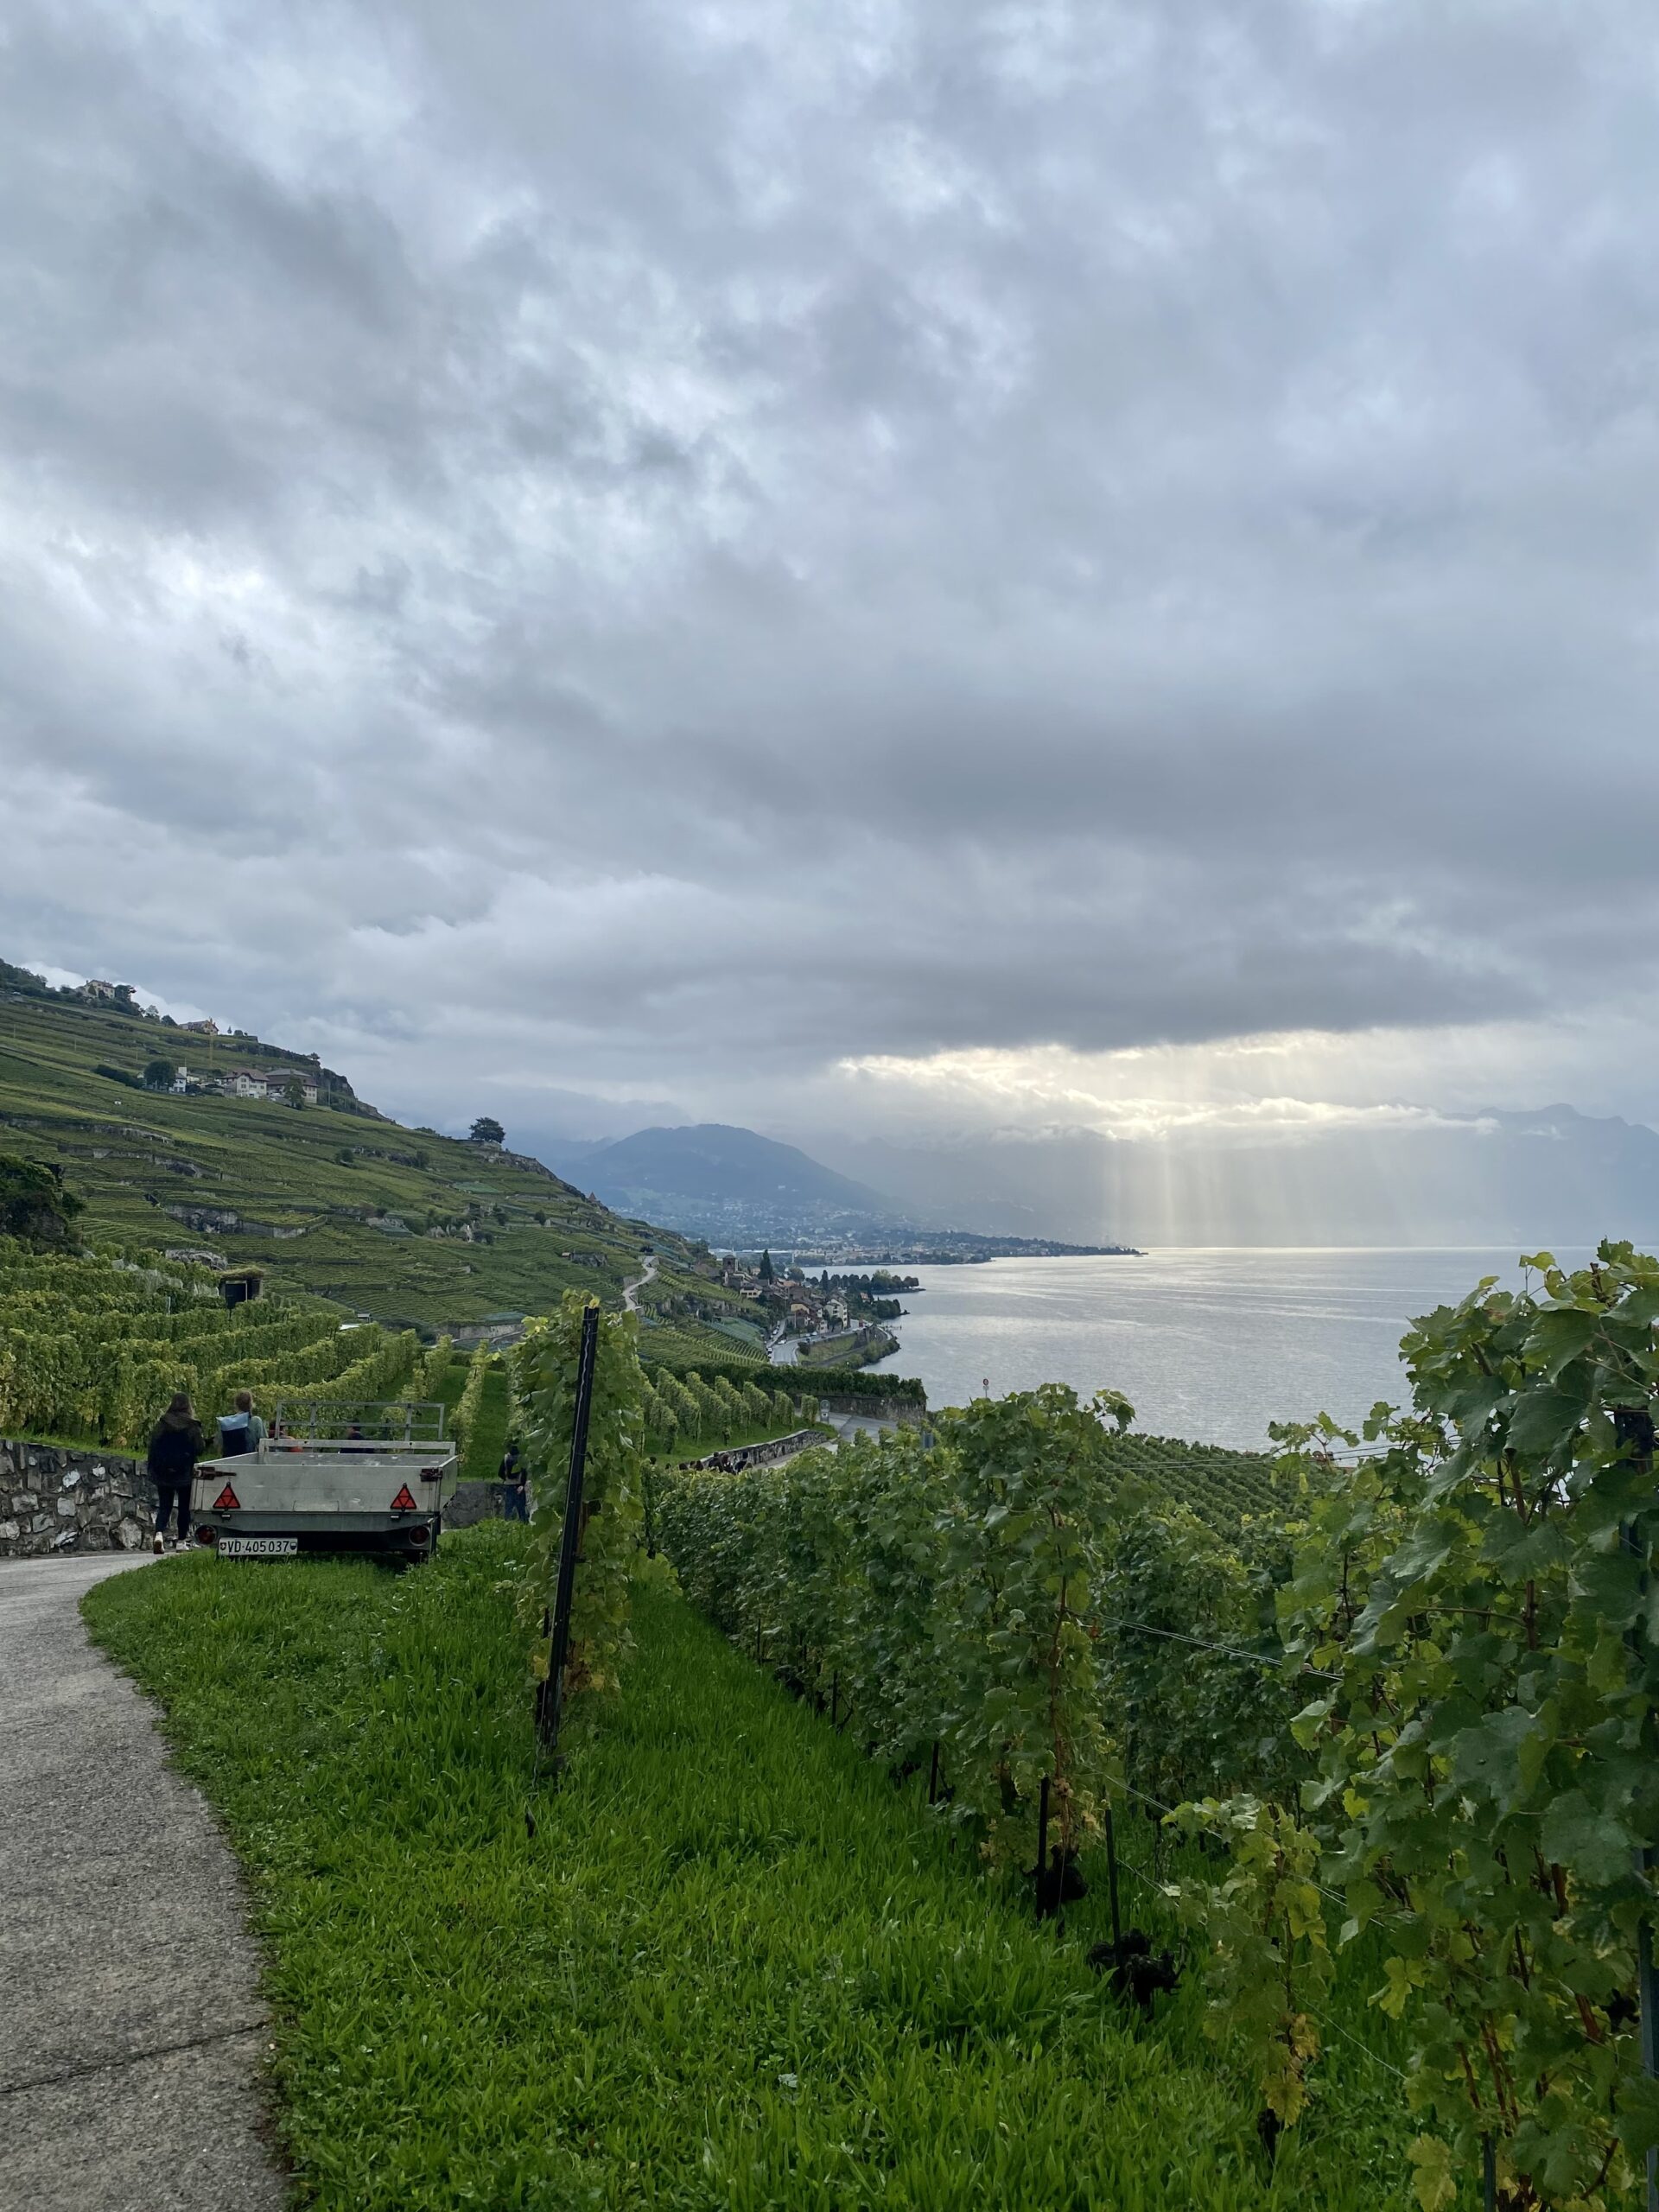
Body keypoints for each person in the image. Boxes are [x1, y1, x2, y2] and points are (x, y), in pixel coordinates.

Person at [147, 1392, 205, 1553]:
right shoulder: (192, 1426)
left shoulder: (163, 1423)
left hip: (164, 1472)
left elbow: (152, 1447)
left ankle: (159, 1535)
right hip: (185, 1473)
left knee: (165, 1505)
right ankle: (181, 1542)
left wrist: (153, 1468)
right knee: (184, 1508)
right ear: (188, 1406)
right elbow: (199, 1448)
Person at [216, 1389, 267, 1458]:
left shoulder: (225, 1423)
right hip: (250, 1461)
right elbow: (264, 1446)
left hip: (229, 1461)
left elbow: (219, 1446)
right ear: (251, 1404)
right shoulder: (256, 1422)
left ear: (236, 1405)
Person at [499, 1439, 529, 1522]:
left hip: (508, 1485)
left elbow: (500, 1473)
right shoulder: (522, 1458)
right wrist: (522, 1485)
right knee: (522, 1509)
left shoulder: (506, 1457)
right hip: (519, 1486)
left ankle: (506, 1525)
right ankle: (524, 1525)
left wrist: (506, 1479)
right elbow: (524, 1473)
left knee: (508, 1509)